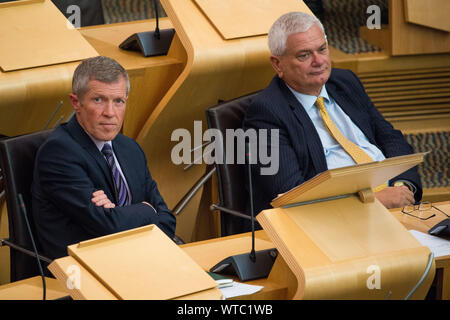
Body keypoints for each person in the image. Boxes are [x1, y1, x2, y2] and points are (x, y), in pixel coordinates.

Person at [243, 12, 421, 216]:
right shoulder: (266, 113)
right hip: (337, 224)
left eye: (322, 49)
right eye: (304, 55)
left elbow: (391, 139)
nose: (319, 61)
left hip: (397, 207)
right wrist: (373, 201)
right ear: (277, 64)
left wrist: (402, 185)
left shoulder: (345, 82)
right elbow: (291, 196)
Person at [32, 56, 176, 260]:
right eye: (98, 100)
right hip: (86, 271)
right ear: (76, 102)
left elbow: (168, 221)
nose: (110, 113)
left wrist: (117, 213)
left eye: (118, 101)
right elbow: (109, 226)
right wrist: (146, 209)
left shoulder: (130, 148)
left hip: (140, 259)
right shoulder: (59, 152)